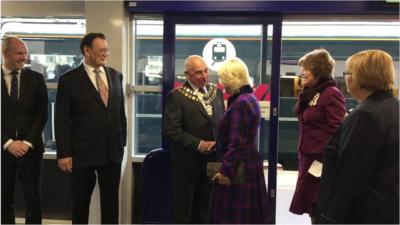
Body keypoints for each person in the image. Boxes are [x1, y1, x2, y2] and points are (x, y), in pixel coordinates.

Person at [316, 50, 399, 224]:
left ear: (360, 77)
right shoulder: (393, 107)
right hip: (387, 206)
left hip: (363, 212)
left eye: (348, 73)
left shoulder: (365, 115)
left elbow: (351, 174)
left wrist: (330, 218)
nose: (347, 78)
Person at [55, 32, 127, 224]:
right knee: (80, 205)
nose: (105, 54)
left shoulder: (115, 75)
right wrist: (64, 153)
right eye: (101, 50)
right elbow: (61, 119)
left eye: (106, 50)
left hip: (112, 153)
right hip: (81, 154)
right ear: (87, 50)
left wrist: (123, 142)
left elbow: (120, 113)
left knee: (111, 205)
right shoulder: (68, 80)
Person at [164, 55, 225, 223]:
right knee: (184, 210)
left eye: (206, 71)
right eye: (198, 72)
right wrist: (199, 144)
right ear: (187, 75)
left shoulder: (217, 92)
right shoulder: (176, 96)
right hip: (187, 163)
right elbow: (172, 131)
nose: (204, 75)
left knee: (208, 208)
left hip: (213, 161)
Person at [289, 48, 346, 222]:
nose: (301, 73)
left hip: (321, 161)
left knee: (319, 206)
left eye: (305, 68)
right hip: (308, 159)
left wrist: (327, 160)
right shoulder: (311, 93)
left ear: (317, 70)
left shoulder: (331, 94)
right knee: (312, 207)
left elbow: (337, 131)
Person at [211, 57, 270, 224]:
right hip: (249, 162)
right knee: (249, 216)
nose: (222, 83)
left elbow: (236, 142)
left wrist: (225, 171)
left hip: (238, 166)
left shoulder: (240, 103)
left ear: (232, 78)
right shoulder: (250, 99)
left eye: (224, 78)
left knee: (233, 218)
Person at [1, 36, 48, 224]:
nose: (24, 57)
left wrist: (26, 142)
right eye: (19, 53)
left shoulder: (36, 79)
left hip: (31, 150)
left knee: (33, 199)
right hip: (3, 151)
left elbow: (41, 114)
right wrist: (8, 143)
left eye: (25, 53)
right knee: (3, 198)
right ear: (5, 53)